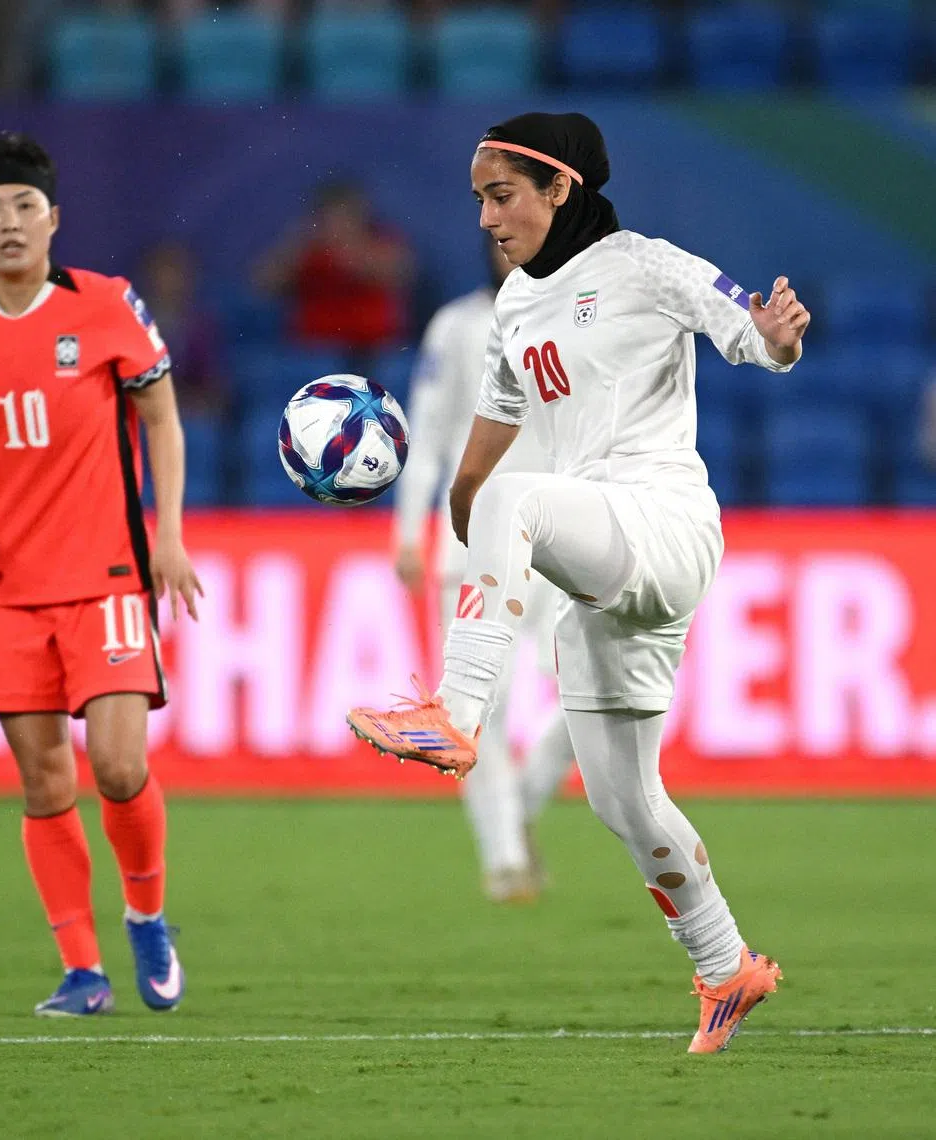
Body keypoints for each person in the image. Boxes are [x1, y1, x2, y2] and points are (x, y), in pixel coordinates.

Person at [349, 112, 811, 1053]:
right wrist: (456, 509)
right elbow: (485, 454)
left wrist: (776, 336)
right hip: (596, 559)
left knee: (522, 500)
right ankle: (727, 967)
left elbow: (753, 335)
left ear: (561, 188)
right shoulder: (515, 305)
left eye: (502, 193)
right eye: (477, 197)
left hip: (664, 522)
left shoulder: (645, 264)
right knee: (622, 800)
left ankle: (455, 714)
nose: (484, 216)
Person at [0, 132, 203, 1017]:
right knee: (44, 783)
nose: (10, 223)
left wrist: (168, 536)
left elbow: (164, 420)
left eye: (25, 207)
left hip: (107, 573)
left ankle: (146, 913)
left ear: (53, 219)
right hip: (7, 587)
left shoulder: (105, 305)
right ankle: (82, 970)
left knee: (115, 766)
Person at [393, 231, 575, 904]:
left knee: (594, 700)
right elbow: (429, 434)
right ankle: (504, 860)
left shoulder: (577, 316)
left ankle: (518, 813)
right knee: (477, 716)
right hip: (471, 542)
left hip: (561, 535)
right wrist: (410, 531)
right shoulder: (458, 326)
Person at [252, 178, 413, 357]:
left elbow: (399, 276)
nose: (339, 223)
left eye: (346, 215)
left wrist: (349, 251)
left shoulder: (381, 242)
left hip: (372, 352)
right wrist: (293, 249)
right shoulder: (308, 248)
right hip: (313, 350)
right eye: (332, 215)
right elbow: (263, 285)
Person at [137, 240, 229, 418]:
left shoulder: (200, 328)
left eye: (175, 272)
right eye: (162, 272)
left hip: (185, 412)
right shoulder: (130, 324)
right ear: (148, 276)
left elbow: (215, 387)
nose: (168, 280)